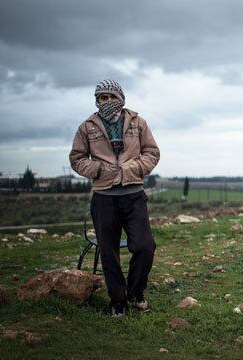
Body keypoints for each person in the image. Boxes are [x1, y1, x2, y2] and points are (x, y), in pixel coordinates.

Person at [69, 79, 160, 316]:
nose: (108, 101)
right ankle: (117, 301)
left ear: (121, 97)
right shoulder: (86, 126)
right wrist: (97, 170)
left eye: (111, 96)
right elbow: (77, 158)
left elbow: (152, 152)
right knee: (109, 252)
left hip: (133, 195)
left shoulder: (138, 122)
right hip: (104, 198)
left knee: (145, 246)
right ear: (97, 101)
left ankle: (135, 292)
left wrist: (135, 168)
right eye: (102, 98)